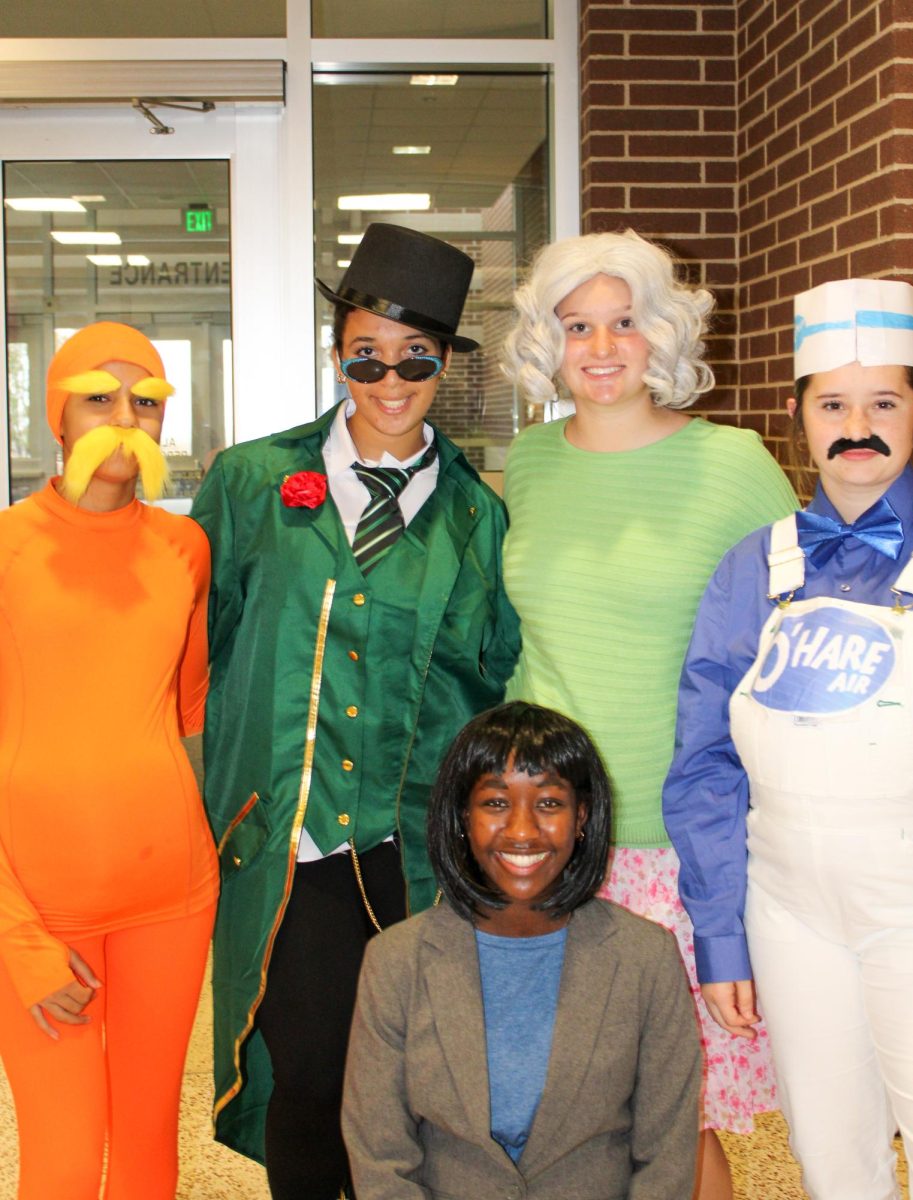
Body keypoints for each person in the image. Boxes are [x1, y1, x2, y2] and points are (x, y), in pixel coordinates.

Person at [192, 223, 520, 1199]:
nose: (388, 379)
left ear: (443, 365)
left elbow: (490, 674)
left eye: (414, 356)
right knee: (311, 1080)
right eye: (364, 355)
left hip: (417, 845)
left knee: (422, 1087)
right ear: (337, 355)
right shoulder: (251, 483)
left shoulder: (475, 515)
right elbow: (191, 650)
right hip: (291, 844)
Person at [499, 229, 798, 1200]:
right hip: (545, 839)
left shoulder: (733, 463)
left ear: (660, 334)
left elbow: (795, 640)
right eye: (575, 323)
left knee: (668, 1116)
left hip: (681, 849)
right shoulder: (532, 463)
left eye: (623, 322)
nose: (598, 346)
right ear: (546, 340)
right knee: (568, 1114)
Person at [664, 277, 913, 1200]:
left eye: (884, 401)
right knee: (830, 1157)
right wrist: (721, 935)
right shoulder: (754, 565)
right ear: (799, 416)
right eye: (833, 403)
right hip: (790, 911)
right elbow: (703, 763)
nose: (859, 425)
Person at [0, 322, 217, 1199]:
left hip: (170, 899)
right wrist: (17, 939)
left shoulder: (183, 551)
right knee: (59, 1153)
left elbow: (187, 711)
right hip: (38, 906)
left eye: (148, 401)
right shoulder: (6, 549)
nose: (126, 418)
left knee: (145, 1147)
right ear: (57, 415)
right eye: (100, 396)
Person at [342, 701, 702, 1199]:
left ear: (583, 816)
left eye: (549, 803)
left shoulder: (647, 958)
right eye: (494, 803)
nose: (522, 830)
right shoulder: (396, 961)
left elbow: (666, 1156)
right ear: (462, 817)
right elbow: (380, 1156)